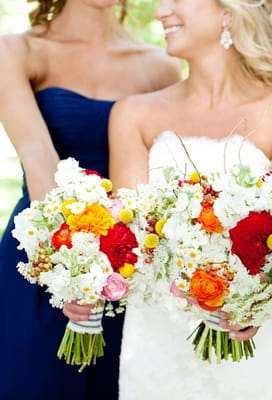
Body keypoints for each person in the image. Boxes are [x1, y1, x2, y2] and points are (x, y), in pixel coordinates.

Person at [65, 0, 272, 398]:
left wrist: (255, 298)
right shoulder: (133, 114)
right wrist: (88, 281)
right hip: (156, 344)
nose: (161, 12)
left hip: (251, 344)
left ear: (228, 12)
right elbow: (131, 239)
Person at [0, 0, 180, 398]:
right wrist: (75, 272)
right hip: (45, 251)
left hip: (127, 263)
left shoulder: (160, 66)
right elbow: (38, 160)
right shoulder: (17, 51)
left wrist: (113, 268)